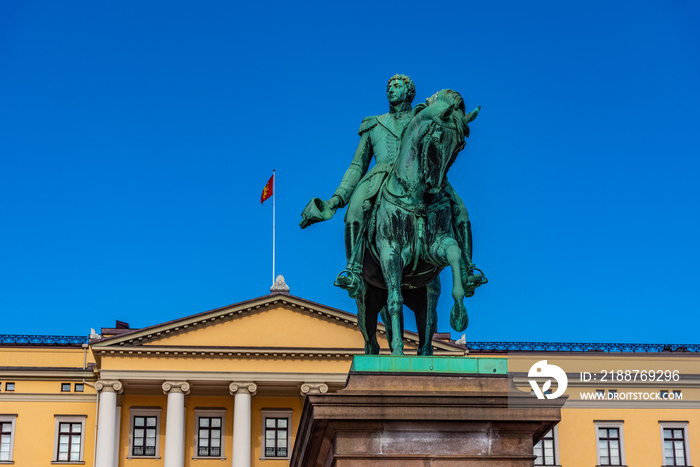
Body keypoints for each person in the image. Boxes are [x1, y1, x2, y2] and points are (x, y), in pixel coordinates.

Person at [301, 75, 475, 298]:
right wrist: (337, 199)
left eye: (397, 85)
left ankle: (467, 269)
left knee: (460, 208)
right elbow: (357, 165)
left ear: (409, 92)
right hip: (380, 176)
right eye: (389, 86)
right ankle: (353, 270)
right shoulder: (374, 123)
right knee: (355, 211)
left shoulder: (422, 116)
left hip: (424, 175)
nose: (391, 89)